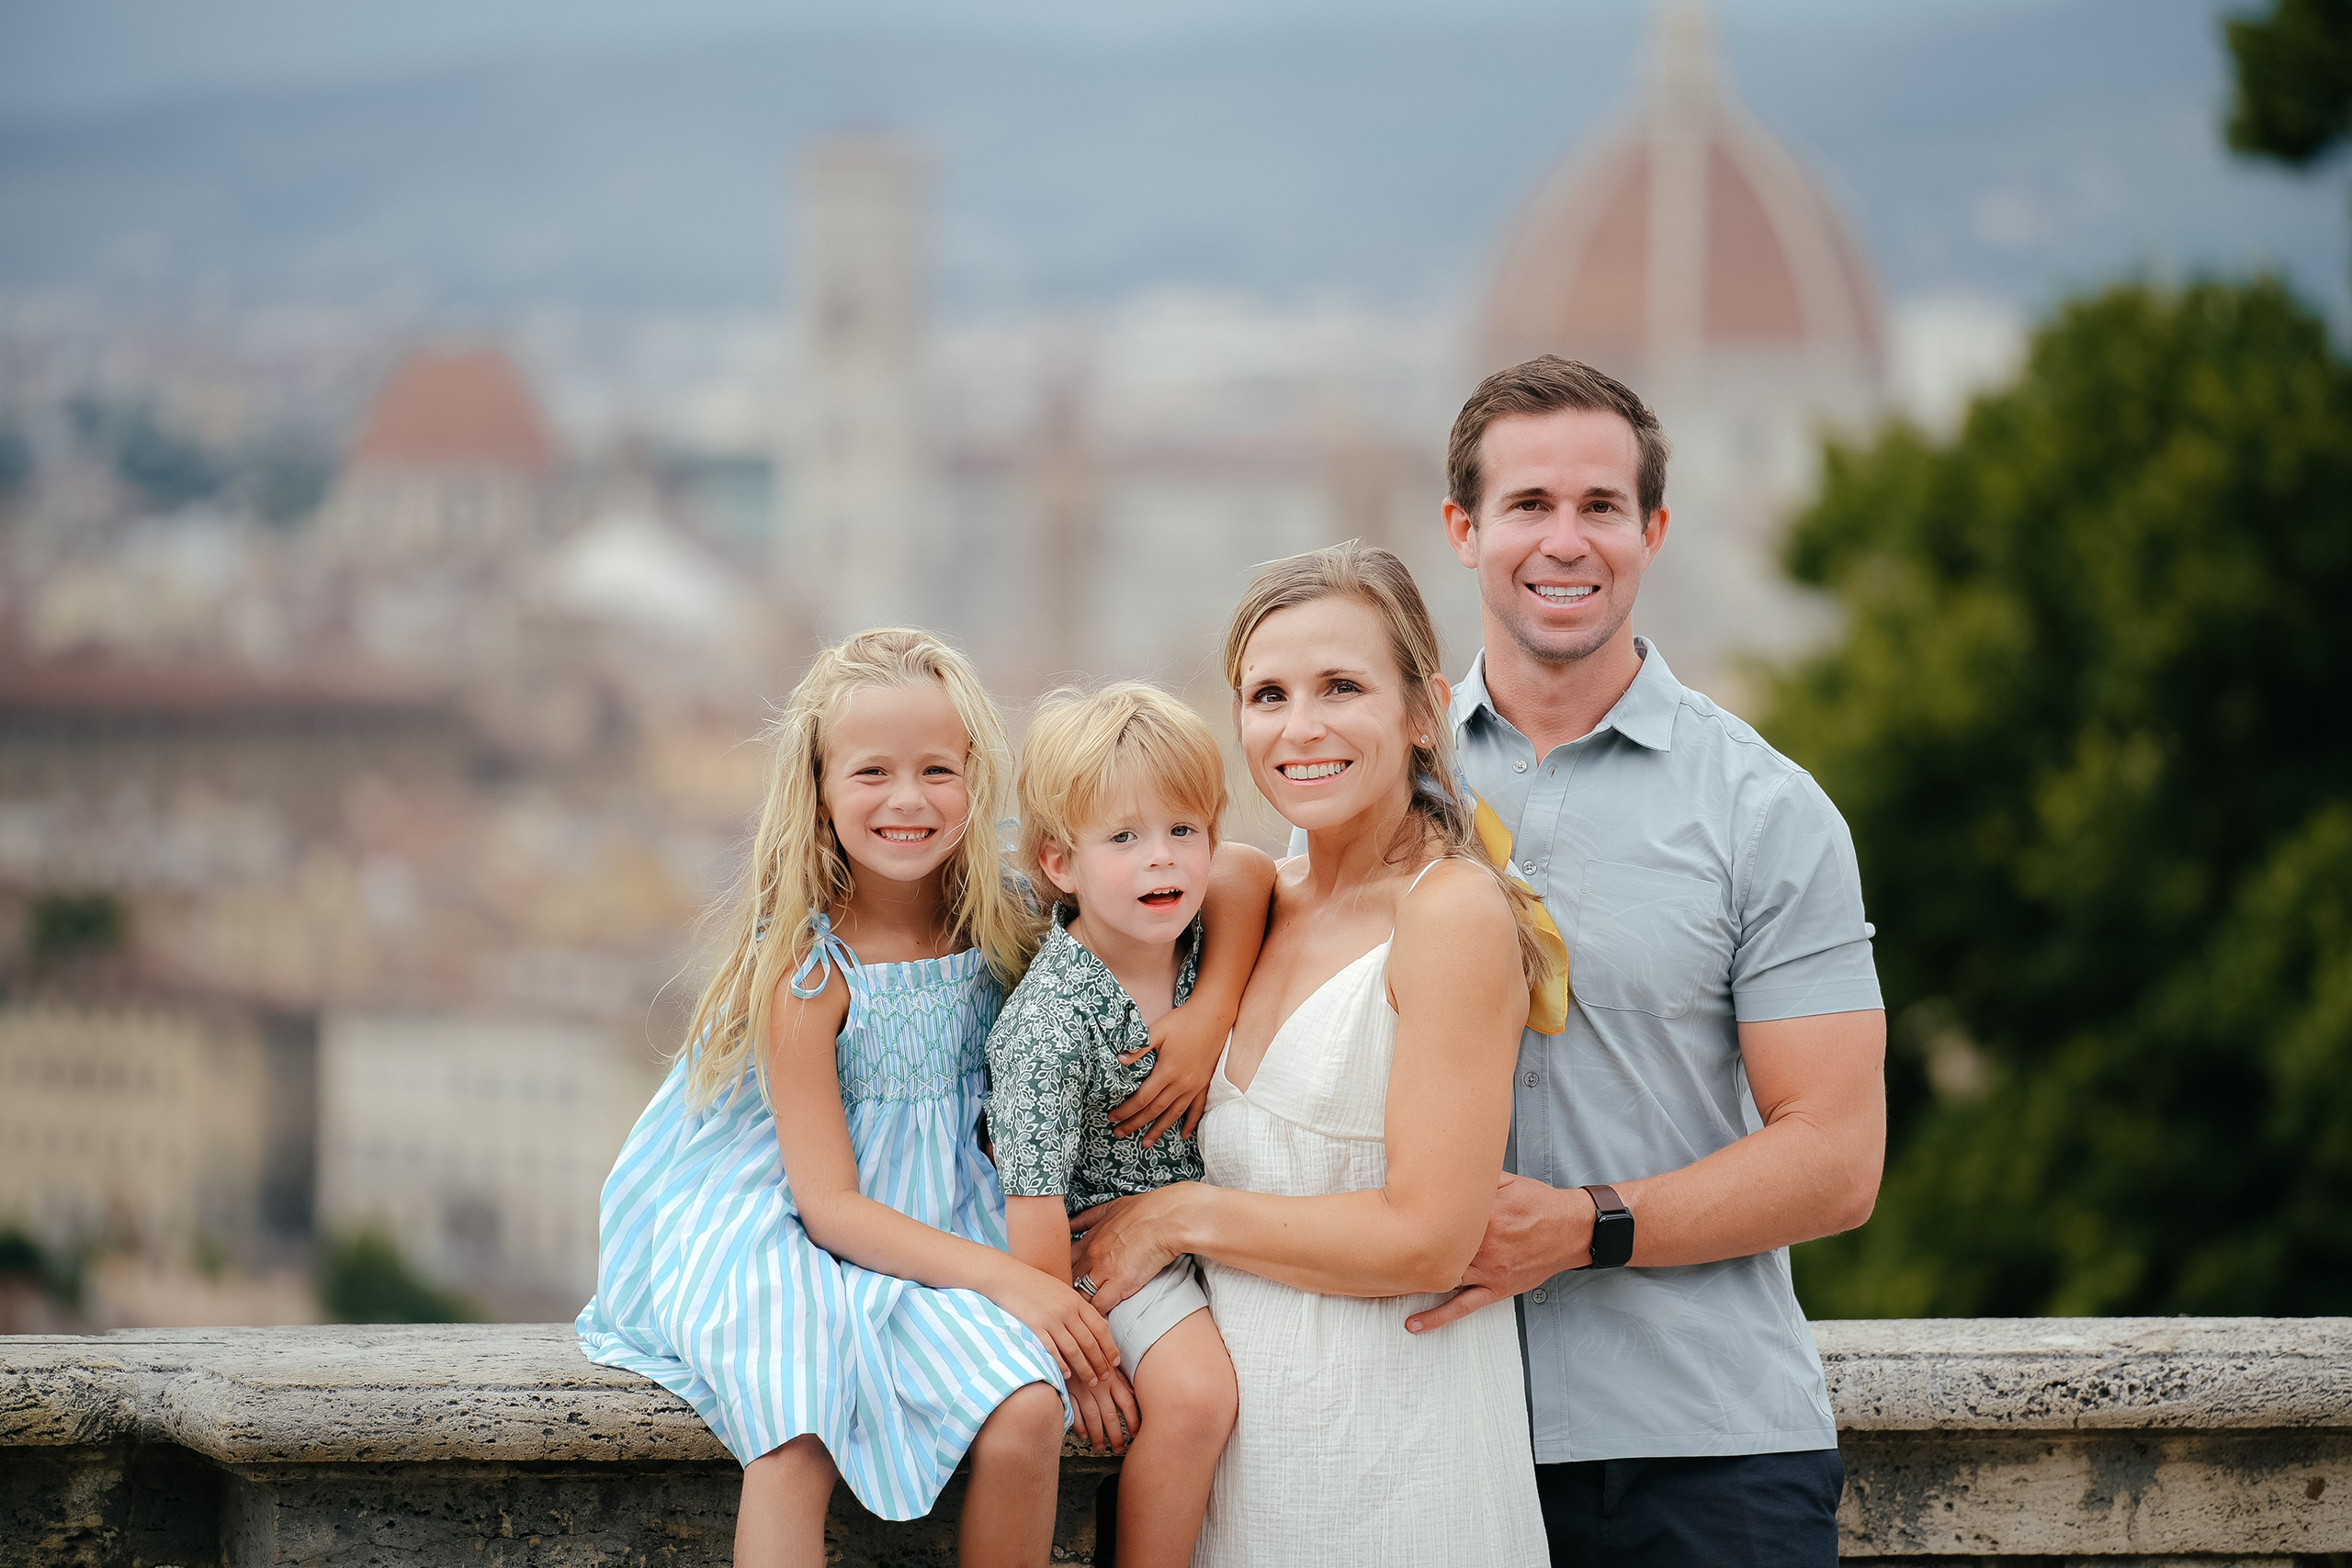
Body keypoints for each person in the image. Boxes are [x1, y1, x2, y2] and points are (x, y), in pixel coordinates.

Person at [575, 628, 1269, 1568]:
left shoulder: (1013, 904)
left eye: (937, 769)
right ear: (818, 791)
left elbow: (1232, 869)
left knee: (1028, 1410)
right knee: (797, 1425)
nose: (908, 800)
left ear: (976, 777)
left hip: (952, 1207)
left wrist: (1210, 1007)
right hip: (792, 1214)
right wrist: (1030, 1293)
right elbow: (828, 1206)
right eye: (871, 773)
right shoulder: (809, 975)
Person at [1397, 355, 1888, 1567]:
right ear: (1463, 530)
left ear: (1652, 530)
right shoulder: (1373, 790)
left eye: (1600, 506)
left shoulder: (1768, 808)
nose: (1566, 540)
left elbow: (1836, 1157)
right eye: (1528, 505)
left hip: (1708, 1452)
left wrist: (1585, 1223)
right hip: (1429, 1434)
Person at [1071, 543, 1557, 1567]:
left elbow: (1429, 1238)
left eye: (1342, 687)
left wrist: (1173, 1216)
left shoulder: (1453, 914)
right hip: (1241, 1484)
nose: (1301, 728)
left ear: (1424, 707)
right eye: (1267, 694)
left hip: (1394, 1473)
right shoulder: (1240, 905)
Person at [987, 682, 1265, 1568]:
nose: (1163, 862)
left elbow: (1251, 874)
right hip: (1106, 1259)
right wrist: (1086, 1356)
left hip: (1208, 1233)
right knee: (1195, 1399)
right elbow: (1033, 1208)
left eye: (1184, 832)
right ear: (1059, 863)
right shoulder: (1048, 1024)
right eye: (1126, 838)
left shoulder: (1199, 947)